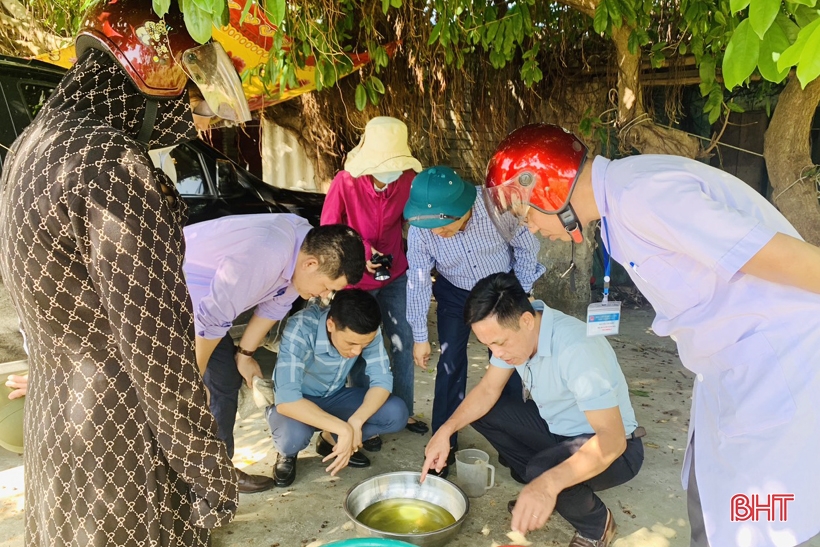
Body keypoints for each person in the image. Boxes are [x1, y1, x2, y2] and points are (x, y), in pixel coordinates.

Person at [482, 123, 820, 547]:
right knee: (715, 506)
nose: (531, 228)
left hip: (775, 367)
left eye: (526, 214)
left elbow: (774, 255)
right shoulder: (621, 206)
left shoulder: (642, 196)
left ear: (547, 188)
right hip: (730, 371)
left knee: (754, 522)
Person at [0, 0, 248, 544]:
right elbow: (158, 350)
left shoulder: (33, 146)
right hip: (119, 449)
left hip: (57, 435)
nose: (195, 116)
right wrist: (211, 475)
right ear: (151, 80)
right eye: (189, 96)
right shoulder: (110, 165)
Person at [422, 272, 644, 547]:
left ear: (526, 321)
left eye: (499, 343)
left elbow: (613, 441)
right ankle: (540, 487)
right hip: (558, 430)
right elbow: (488, 390)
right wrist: (445, 430)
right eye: (488, 345)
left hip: (616, 448)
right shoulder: (519, 335)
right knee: (484, 414)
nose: (497, 354)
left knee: (543, 471)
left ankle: (597, 525)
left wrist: (547, 483)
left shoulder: (576, 348)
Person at [183, 216, 365, 492]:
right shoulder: (265, 253)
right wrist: (193, 379)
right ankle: (197, 481)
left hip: (203, 309)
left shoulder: (304, 250)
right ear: (312, 264)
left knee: (226, 380)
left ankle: (217, 471)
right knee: (187, 394)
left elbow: (272, 308)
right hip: (166, 295)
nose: (325, 296)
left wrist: (244, 355)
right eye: (328, 287)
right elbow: (212, 319)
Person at [405, 166, 545, 477]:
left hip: (499, 289)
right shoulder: (422, 229)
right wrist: (418, 334)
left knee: (507, 362)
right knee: (450, 365)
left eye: (443, 226)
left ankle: (515, 448)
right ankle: (443, 447)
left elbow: (526, 249)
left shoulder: (500, 206)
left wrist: (516, 296)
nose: (436, 233)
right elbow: (416, 277)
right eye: (430, 228)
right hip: (454, 294)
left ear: (464, 208)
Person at [321, 116, 428, 450]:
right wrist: (363, 252)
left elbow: (417, 222)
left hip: (395, 273)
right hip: (355, 279)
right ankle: (365, 416)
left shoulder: (409, 180)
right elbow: (329, 229)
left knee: (402, 339)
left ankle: (403, 410)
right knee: (360, 347)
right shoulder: (345, 182)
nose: (390, 174)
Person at [265, 289, 409, 486]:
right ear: (331, 324)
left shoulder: (366, 331)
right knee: (293, 437)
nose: (357, 351)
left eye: (363, 344)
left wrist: (356, 422)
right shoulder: (301, 327)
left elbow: (382, 379)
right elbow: (287, 399)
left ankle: (329, 441)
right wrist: (344, 429)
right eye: (350, 343)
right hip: (299, 401)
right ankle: (287, 454)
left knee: (396, 412)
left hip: (335, 395)